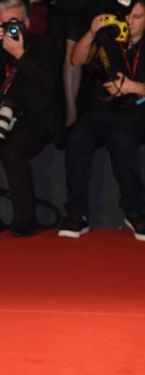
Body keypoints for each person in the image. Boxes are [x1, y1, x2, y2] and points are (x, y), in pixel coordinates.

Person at [59, 0, 145, 241]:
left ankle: (136, 212)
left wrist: (133, 87)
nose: (131, 23)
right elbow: (75, 60)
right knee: (78, 137)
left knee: (123, 137)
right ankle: (77, 213)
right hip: (105, 108)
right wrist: (92, 32)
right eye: (128, 17)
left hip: (139, 110)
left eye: (138, 17)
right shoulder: (109, 35)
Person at [0, 0, 60, 237]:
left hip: (35, 119)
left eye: (15, 23)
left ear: (28, 23)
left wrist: (21, 55)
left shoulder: (44, 46)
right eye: (3, 24)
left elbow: (49, 87)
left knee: (12, 150)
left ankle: (25, 218)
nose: (11, 30)